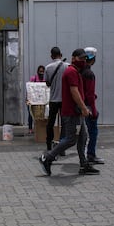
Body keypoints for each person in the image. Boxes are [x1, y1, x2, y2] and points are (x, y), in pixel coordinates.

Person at [38, 48, 100, 176]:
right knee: (71, 139)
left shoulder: (75, 71)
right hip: (72, 113)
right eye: (80, 58)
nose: (83, 61)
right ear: (73, 58)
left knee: (83, 137)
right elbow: (74, 92)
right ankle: (47, 157)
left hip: (75, 112)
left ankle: (84, 165)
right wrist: (84, 108)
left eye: (84, 59)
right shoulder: (71, 72)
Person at [82, 47, 104, 164]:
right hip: (88, 107)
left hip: (80, 105)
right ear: (93, 59)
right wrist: (94, 111)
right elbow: (89, 95)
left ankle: (84, 156)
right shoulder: (89, 74)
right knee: (93, 132)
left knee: (81, 134)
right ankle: (91, 155)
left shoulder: (80, 71)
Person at [44, 47, 68, 151]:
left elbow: (47, 83)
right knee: (64, 123)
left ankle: (49, 146)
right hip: (65, 100)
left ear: (51, 56)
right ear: (61, 55)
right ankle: (62, 147)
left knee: (51, 123)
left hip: (53, 99)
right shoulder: (68, 66)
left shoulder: (48, 67)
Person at [27, 65, 45, 134]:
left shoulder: (45, 79)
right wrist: (28, 99)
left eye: (43, 71)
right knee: (31, 114)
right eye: (40, 71)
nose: (42, 73)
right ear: (38, 71)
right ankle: (30, 128)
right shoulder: (33, 78)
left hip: (41, 100)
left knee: (40, 114)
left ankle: (39, 128)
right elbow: (29, 89)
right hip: (32, 99)